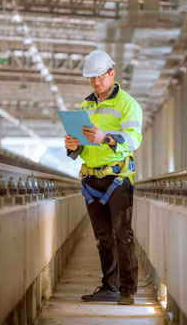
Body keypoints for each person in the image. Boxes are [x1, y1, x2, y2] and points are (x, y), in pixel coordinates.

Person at [65, 50, 143, 305]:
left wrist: (106, 138)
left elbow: (133, 139)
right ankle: (110, 286)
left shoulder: (127, 104)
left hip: (118, 178)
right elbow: (83, 145)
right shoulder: (86, 105)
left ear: (112, 74)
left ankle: (128, 290)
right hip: (92, 180)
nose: (96, 83)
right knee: (103, 238)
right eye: (92, 79)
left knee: (123, 234)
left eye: (100, 77)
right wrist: (73, 144)